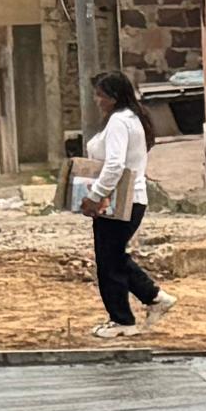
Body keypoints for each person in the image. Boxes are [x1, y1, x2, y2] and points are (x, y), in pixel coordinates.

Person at [78, 72, 170, 331]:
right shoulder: (130, 118)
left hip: (119, 200)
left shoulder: (120, 121)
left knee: (109, 262)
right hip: (129, 199)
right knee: (114, 257)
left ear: (114, 97)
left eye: (100, 95)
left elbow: (114, 165)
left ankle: (122, 320)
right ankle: (153, 297)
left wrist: (95, 196)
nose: (97, 100)